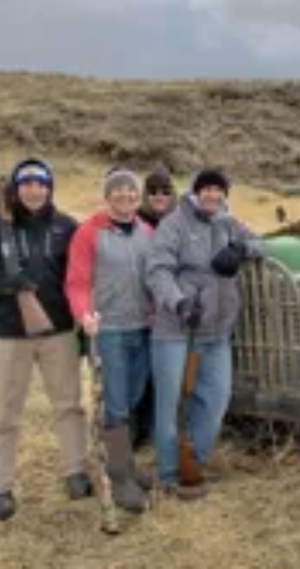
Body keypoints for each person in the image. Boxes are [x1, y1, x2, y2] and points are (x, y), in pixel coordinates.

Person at [0, 159, 92, 522]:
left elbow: (80, 276)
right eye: (25, 183)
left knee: (69, 406)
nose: (34, 189)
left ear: (49, 187)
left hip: (58, 332)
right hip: (8, 336)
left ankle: (76, 472)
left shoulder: (66, 226)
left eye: (41, 182)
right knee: (4, 416)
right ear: (15, 188)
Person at [145, 168, 263, 499]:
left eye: (218, 190)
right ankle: (169, 475)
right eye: (206, 189)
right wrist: (179, 303)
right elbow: (157, 271)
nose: (212, 195)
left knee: (216, 400)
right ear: (196, 192)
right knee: (170, 405)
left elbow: (261, 244)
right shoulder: (174, 225)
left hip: (217, 332)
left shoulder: (228, 223)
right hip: (177, 330)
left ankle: (191, 463)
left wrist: (241, 250)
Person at [66, 166, 153, 513]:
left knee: (131, 397)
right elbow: (77, 281)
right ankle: (119, 479)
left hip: (143, 327)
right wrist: (84, 313)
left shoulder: (147, 231)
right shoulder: (90, 232)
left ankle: (127, 464)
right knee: (115, 403)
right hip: (109, 330)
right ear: (107, 195)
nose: (125, 195)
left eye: (131, 190)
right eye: (117, 189)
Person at [131, 168, 178, 448]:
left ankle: (166, 427)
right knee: (142, 372)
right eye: (153, 191)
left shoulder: (179, 222)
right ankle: (140, 428)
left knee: (169, 373)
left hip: (174, 307)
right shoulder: (135, 222)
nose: (159, 196)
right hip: (142, 306)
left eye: (165, 191)